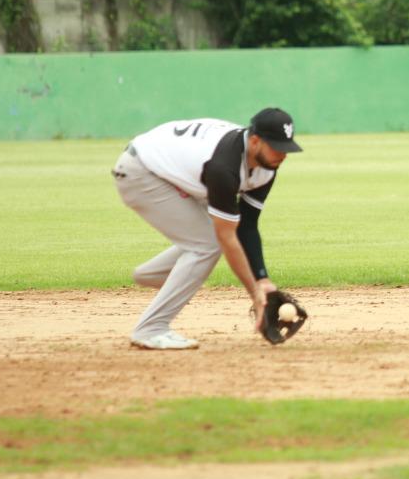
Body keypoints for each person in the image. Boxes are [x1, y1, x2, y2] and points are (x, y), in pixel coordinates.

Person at [113, 107, 301, 349]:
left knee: (207, 242)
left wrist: (262, 279)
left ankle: (155, 275)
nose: (282, 154)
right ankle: (150, 329)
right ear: (255, 141)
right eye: (276, 147)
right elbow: (226, 236)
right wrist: (254, 293)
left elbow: (247, 225)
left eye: (286, 147)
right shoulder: (225, 166)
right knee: (208, 244)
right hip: (142, 171)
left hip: (170, 171)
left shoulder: (266, 165)